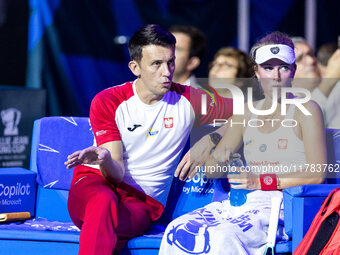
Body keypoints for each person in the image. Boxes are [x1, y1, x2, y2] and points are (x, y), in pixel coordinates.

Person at [64, 24, 233, 255]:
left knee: (106, 222)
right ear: (135, 67)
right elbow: (115, 173)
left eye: (170, 62)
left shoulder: (189, 99)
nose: (167, 71)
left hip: (142, 203)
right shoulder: (108, 100)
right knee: (103, 202)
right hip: (97, 183)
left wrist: (212, 139)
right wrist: (103, 158)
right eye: (156, 64)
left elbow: (255, 112)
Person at [159, 31, 326, 255]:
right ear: (256, 72)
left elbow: (317, 174)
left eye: (283, 67)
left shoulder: (307, 109)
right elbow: (212, 170)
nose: (276, 76)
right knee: (176, 229)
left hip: (281, 205)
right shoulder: (246, 112)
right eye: (268, 68)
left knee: (220, 237)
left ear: (293, 71)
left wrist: (259, 180)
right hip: (241, 204)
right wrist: (213, 144)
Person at [292, 37, 340, 128]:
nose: (311, 61)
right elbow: (304, 124)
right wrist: (329, 80)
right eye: (299, 58)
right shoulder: (283, 101)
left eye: (311, 54)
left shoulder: (336, 87)